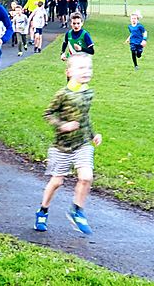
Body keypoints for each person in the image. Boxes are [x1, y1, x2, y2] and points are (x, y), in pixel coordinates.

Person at [34, 54, 102, 235]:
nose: (86, 72)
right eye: (81, 68)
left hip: (82, 144)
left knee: (86, 177)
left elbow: (85, 118)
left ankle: (77, 210)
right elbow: (48, 114)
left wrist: (94, 135)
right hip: (61, 147)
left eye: (89, 68)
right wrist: (62, 125)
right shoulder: (63, 95)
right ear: (69, 72)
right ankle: (43, 210)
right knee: (57, 181)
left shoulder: (88, 93)